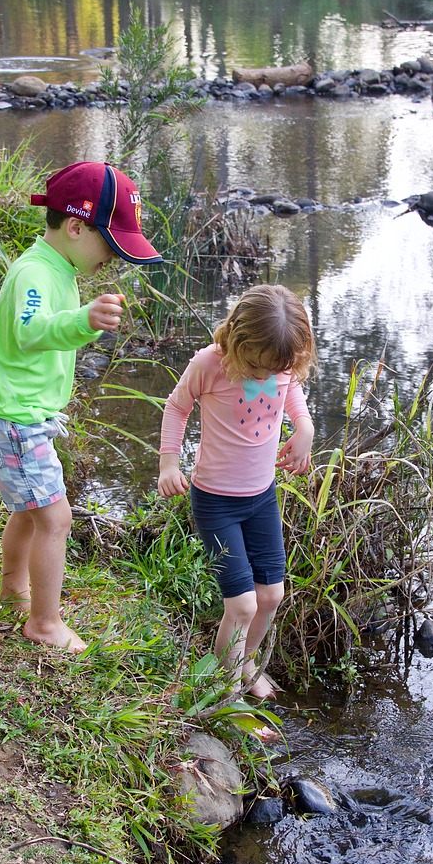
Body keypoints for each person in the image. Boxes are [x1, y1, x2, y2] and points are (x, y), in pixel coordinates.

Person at [0, 161, 161, 653]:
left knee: (31, 512)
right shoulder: (35, 273)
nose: (113, 259)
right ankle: (44, 623)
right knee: (56, 519)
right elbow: (31, 331)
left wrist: (81, 316)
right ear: (75, 226)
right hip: (14, 419)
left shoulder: (59, 266)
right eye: (110, 244)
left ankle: (15, 592)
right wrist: (83, 319)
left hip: (17, 414)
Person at [157, 284, 316, 698]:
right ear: (239, 344)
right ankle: (223, 691)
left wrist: (305, 426)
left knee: (271, 595)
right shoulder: (210, 364)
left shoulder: (279, 366)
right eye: (260, 368)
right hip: (216, 501)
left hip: (262, 496)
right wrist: (168, 464)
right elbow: (177, 407)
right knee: (242, 604)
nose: (267, 377)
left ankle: (245, 664)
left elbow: (292, 387)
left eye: (277, 368)